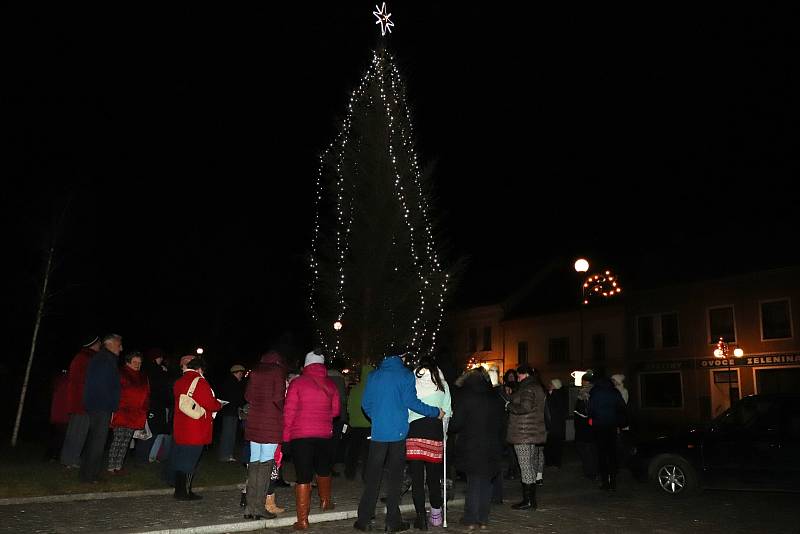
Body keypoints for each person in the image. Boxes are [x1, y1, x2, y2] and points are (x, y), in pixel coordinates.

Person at [354, 349, 444, 533]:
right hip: (398, 434)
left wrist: (378, 418)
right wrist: (435, 412)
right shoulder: (405, 375)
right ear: (401, 357)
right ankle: (392, 521)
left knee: (373, 478)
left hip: (379, 433)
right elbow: (412, 402)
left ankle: (364, 519)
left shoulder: (374, 375)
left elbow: (366, 404)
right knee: (395, 479)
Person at [283, 350, 340, 530]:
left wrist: (286, 437)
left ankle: (303, 520)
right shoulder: (331, 384)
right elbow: (336, 411)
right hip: (323, 434)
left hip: (301, 436)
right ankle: (325, 502)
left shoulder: (297, 383)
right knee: (323, 469)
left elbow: (289, 412)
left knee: (303, 475)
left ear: (306, 365)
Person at [450, 367, 505, 530]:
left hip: (471, 444)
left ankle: (471, 518)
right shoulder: (495, 397)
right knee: (486, 482)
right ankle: (483, 518)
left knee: (474, 482)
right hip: (491, 445)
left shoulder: (465, 396)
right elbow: (502, 423)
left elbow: (456, 424)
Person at [406, 356, 452, 530]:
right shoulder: (443, 385)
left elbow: (408, 407)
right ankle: (436, 516)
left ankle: (420, 518)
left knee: (417, 479)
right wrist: (444, 435)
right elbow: (447, 412)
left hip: (414, 433)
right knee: (433, 478)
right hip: (434, 433)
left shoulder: (413, 384)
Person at [243, 351, 287, 520]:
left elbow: (247, 396)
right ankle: (259, 507)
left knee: (254, 462)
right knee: (266, 463)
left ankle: (250, 506)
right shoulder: (277, 372)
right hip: (271, 423)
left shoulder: (254, 371)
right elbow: (278, 398)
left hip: (254, 421)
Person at [172, 355, 222, 500]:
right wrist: (219, 404)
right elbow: (210, 404)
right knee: (190, 460)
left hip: (181, 425)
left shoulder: (179, 381)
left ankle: (179, 490)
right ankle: (184, 492)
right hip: (195, 427)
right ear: (199, 369)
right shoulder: (200, 382)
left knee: (181, 458)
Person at [79, 333, 122, 483]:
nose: (121, 348)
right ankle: (90, 475)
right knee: (97, 441)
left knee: (94, 441)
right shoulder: (105, 360)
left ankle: (87, 473)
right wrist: (110, 405)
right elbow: (104, 385)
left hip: (97, 405)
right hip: (101, 406)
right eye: (118, 345)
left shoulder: (104, 358)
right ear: (109, 344)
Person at [506, 364, 546, 510]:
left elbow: (525, 407)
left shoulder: (527, 388)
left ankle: (529, 501)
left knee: (526, 466)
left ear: (526, 375)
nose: (518, 377)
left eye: (519, 375)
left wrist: (509, 405)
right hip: (531, 433)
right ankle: (530, 500)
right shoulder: (535, 386)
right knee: (530, 465)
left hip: (523, 433)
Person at [60, 336, 100, 468]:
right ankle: (70, 459)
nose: (100, 345)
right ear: (93, 344)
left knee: (77, 432)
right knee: (77, 432)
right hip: (82, 402)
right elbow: (85, 380)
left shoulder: (83, 357)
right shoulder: (86, 358)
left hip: (80, 401)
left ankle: (71, 459)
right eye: (98, 343)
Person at [107, 351, 150, 474]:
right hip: (122, 411)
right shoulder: (121, 373)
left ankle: (119, 466)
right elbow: (115, 391)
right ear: (128, 362)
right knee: (118, 439)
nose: (137, 365)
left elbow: (146, 393)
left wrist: (145, 408)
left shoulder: (142, 376)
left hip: (136, 413)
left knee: (126, 441)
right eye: (135, 362)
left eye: (139, 363)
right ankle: (111, 466)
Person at [588, 375, 627, 491]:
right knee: (612, 454)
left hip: (599, 427)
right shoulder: (614, 392)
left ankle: (605, 482)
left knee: (602, 455)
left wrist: (592, 420)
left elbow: (590, 409)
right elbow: (622, 408)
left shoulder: (595, 392)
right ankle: (613, 482)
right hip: (612, 426)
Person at [344, 364, 373, 481]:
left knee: (353, 451)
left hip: (355, 425)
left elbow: (349, 407)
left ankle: (350, 473)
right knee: (367, 453)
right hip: (368, 425)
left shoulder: (355, 389)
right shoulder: (373, 390)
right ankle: (366, 476)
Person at [144, 348, 172, 463]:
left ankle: (154, 455)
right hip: (157, 404)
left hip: (157, 403)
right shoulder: (155, 370)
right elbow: (162, 386)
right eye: (160, 357)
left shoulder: (154, 369)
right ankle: (151, 455)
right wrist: (164, 372)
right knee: (156, 431)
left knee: (159, 431)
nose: (161, 359)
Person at [217, 363, 247, 462]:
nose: (241, 375)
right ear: (236, 373)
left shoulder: (232, 382)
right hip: (230, 411)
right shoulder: (232, 383)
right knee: (228, 433)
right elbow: (236, 398)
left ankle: (228, 454)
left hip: (231, 411)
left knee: (230, 433)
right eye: (240, 373)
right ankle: (225, 455)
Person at [573, 380, 597, 480]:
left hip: (585, 433)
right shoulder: (591, 400)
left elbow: (584, 417)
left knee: (587, 454)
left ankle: (590, 473)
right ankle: (591, 472)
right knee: (589, 453)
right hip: (587, 432)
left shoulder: (584, 402)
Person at [327, 365, 349, 476]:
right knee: (334, 442)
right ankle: (330, 467)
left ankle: (321, 467)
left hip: (324, 415)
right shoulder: (340, 379)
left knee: (324, 442)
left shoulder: (324, 376)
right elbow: (343, 399)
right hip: (338, 416)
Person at [544, 378, 568, 468]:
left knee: (553, 445)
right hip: (556, 425)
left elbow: (552, 410)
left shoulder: (555, 395)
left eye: (551, 384)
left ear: (555, 385)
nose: (549, 385)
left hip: (554, 425)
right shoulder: (559, 394)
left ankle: (552, 462)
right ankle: (554, 462)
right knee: (555, 445)